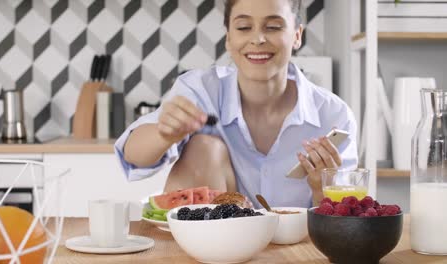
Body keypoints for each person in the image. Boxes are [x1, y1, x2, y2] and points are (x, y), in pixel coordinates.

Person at [115, 0, 358, 208]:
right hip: (213, 246)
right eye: (244, 27)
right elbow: (133, 156)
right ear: (229, 38)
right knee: (204, 146)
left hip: (297, 250)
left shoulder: (334, 115)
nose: (258, 39)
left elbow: (344, 219)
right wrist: (163, 134)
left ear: (297, 35)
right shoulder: (200, 89)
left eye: (273, 27)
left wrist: (321, 189)